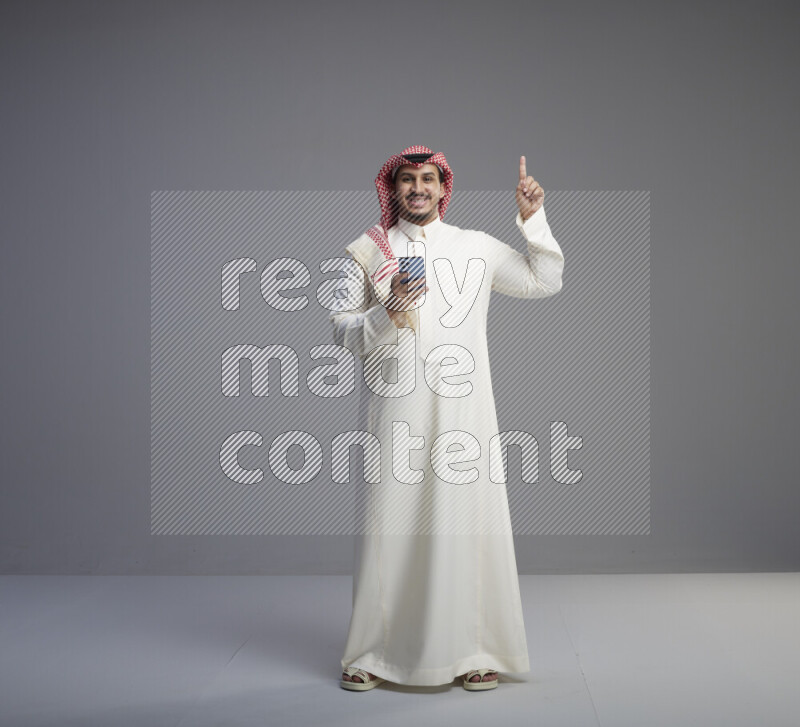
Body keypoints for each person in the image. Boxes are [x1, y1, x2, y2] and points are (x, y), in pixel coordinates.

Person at [329, 145, 565, 691]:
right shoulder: (368, 252)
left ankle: (473, 650)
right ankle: (371, 652)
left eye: (428, 179)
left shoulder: (475, 247)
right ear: (393, 189)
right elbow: (340, 331)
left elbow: (543, 281)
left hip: (465, 412)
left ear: (443, 187)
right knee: (390, 528)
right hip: (395, 410)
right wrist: (383, 316)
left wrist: (534, 220)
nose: (418, 188)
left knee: (465, 526)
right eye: (408, 180)